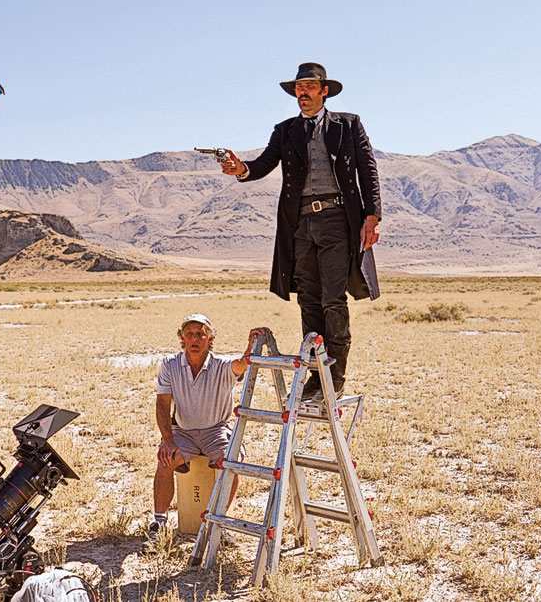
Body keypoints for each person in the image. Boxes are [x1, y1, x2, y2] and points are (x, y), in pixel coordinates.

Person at [220, 62, 382, 400]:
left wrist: (372, 215)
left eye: (309, 87)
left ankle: (335, 378)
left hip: (338, 219)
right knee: (308, 299)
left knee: (332, 299)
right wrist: (241, 169)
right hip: (300, 224)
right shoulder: (285, 130)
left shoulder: (348, 125)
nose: (302, 93)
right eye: (298, 88)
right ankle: (314, 378)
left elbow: (367, 168)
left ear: (324, 90)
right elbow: (264, 163)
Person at [148, 313, 268, 543]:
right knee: (165, 460)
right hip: (183, 433)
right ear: (182, 337)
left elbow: (241, 365)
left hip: (215, 431)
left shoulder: (221, 366)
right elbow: (162, 404)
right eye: (189, 334)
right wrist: (167, 439)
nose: (194, 339)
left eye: (200, 334)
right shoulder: (170, 364)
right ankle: (159, 524)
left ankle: (220, 524)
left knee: (231, 462)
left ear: (210, 339)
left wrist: (250, 346)